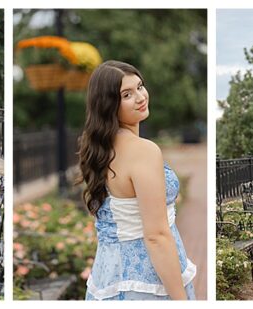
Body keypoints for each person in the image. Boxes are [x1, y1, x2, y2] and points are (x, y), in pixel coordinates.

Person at [78, 60, 196, 300]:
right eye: (127, 94)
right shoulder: (142, 150)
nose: (141, 97)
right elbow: (156, 236)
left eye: (140, 86)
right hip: (147, 282)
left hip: (108, 280)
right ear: (109, 104)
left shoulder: (101, 149)